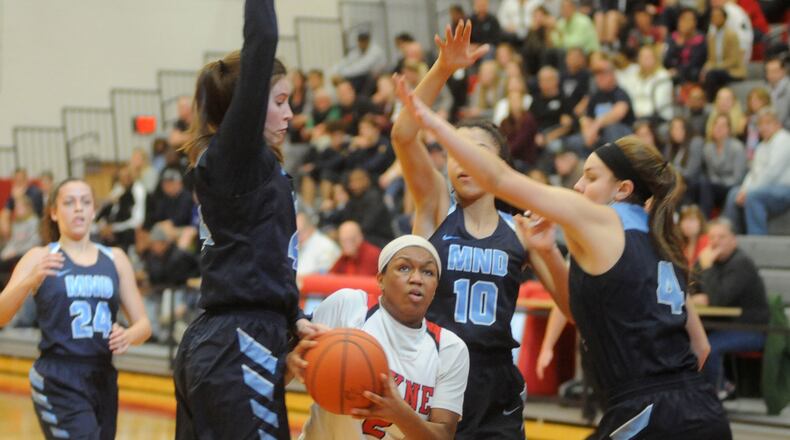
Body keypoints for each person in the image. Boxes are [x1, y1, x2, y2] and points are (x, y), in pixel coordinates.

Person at [395, 78, 732, 438]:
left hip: (640, 409)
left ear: (623, 188)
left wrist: (433, 122)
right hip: (700, 406)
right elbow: (700, 347)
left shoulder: (597, 219)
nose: (577, 187)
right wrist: (549, 252)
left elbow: (499, 178)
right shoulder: (662, 241)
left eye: (589, 177)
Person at [391, 21, 568, 439]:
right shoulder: (435, 205)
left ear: (498, 167)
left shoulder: (522, 231)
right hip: (435, 372)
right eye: (454, 150)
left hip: (495, 383)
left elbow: (573, 306)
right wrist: (443, 68)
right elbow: (403, 135)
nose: (462, 161)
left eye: (476, 153)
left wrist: (552, 252)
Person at [173, 1, 321, 438]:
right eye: (278, 101)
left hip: (229, 339)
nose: (290, 114)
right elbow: (262, 41)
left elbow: (264, 258)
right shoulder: (236, 157)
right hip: (237, 342)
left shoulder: (256, 169)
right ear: (250, 107)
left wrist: (293, 317)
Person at [0, 178, 151, 439]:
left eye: (85, 202)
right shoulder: (39, 256)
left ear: (94, 210)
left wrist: (128, 336)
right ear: (54, 212)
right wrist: (28, 281)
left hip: (102, 375)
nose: (79, 208)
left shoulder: (116, 259)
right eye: (69, 202)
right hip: (58, 375)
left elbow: (144, 326)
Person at [290, 235, 470, 439]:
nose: (417, 279)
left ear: (436, 288)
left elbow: (444, 436)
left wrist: (399, 413)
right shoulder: (349, 305)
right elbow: (285, 375)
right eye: (404, 268)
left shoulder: (451, 348)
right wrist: (291, 362)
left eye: (428, 272)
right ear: (380, 279)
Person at [694, 218, 769, 399]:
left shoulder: (741, 263)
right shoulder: (708, 260)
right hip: (723, 325)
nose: (715, 242)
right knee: (688, 339)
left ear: (733, 240)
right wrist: (695, 293)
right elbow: (689, 286)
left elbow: (719, 300)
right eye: (712, 237)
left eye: (721, 237)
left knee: (709, 347)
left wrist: (706, 269)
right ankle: (716, 387)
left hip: (750, 328)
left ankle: (715, 394)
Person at [722, 108, 790, 235]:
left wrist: (749, 191)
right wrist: (743, 189)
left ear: (778, 124)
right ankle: (730, 236)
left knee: (753, 197)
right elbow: (753, 173)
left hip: (784, 189)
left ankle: (757, 240)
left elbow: (772, 173)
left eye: (768, 123)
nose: (763, 127)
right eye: (761, 124)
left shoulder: (784, 140)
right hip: (763, 188)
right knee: (733, 194)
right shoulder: (761, 146)